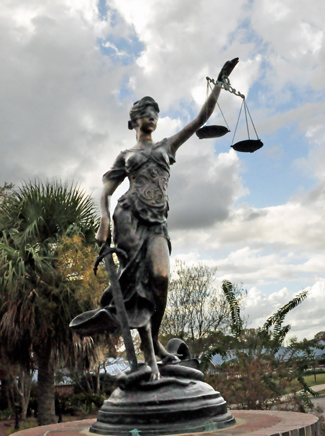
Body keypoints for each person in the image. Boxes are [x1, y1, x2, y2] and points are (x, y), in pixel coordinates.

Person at [70, 58, 239, 380]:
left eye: (156, 114)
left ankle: (157, 345)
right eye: (146, 114)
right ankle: (150, 354)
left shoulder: (167, 146)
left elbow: (201, 118)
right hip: (129, 218)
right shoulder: (126, 155)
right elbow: (105, 191)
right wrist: (104, 221)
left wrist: (218, 84)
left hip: (157, 222)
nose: (152, 118)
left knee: (160, 278)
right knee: (137, 284)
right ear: (134, 121)